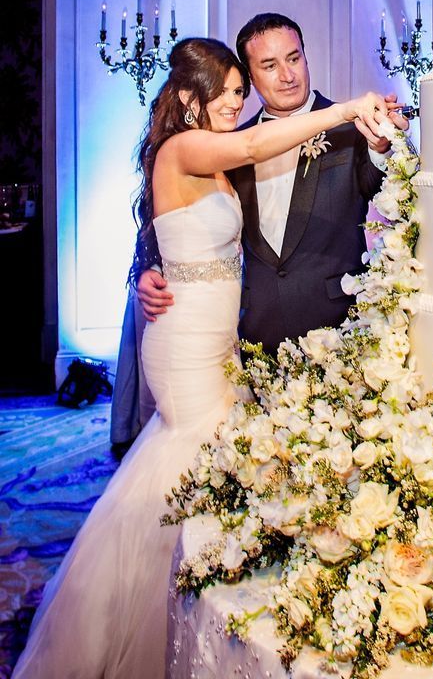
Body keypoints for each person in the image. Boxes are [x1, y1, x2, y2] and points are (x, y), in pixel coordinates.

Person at [13, 37, 388, 679]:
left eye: (242, 93)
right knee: (189, 459)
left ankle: (195, 601)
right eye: (231, 91)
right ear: (190, 97)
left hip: (224, 339)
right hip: (184, 342)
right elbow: (242, 152)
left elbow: (171, 224)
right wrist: (347, 106)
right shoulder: (188, 147)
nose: (238, 103)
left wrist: (151, 264)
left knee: (208, 462)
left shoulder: (212, 159)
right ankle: (155, 611)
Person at [137, 12, 406, 353]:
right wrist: (154, 267)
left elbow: (384, 189)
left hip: (339, 331)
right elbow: (181, 216)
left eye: (294, 58)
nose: (287, 75)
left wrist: (380, 144)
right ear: (251, 75)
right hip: (256, 334)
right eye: (269, 65)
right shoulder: (231, 144)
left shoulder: (352, 128)